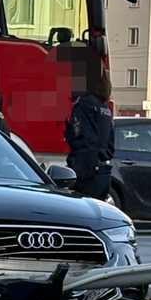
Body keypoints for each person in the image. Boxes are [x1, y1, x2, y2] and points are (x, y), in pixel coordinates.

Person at [64, 64, 114, 200]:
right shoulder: (104, 107)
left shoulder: (84, 104)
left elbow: (81, 138)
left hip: (86, 173)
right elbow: (110, 144)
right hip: (103, 173)